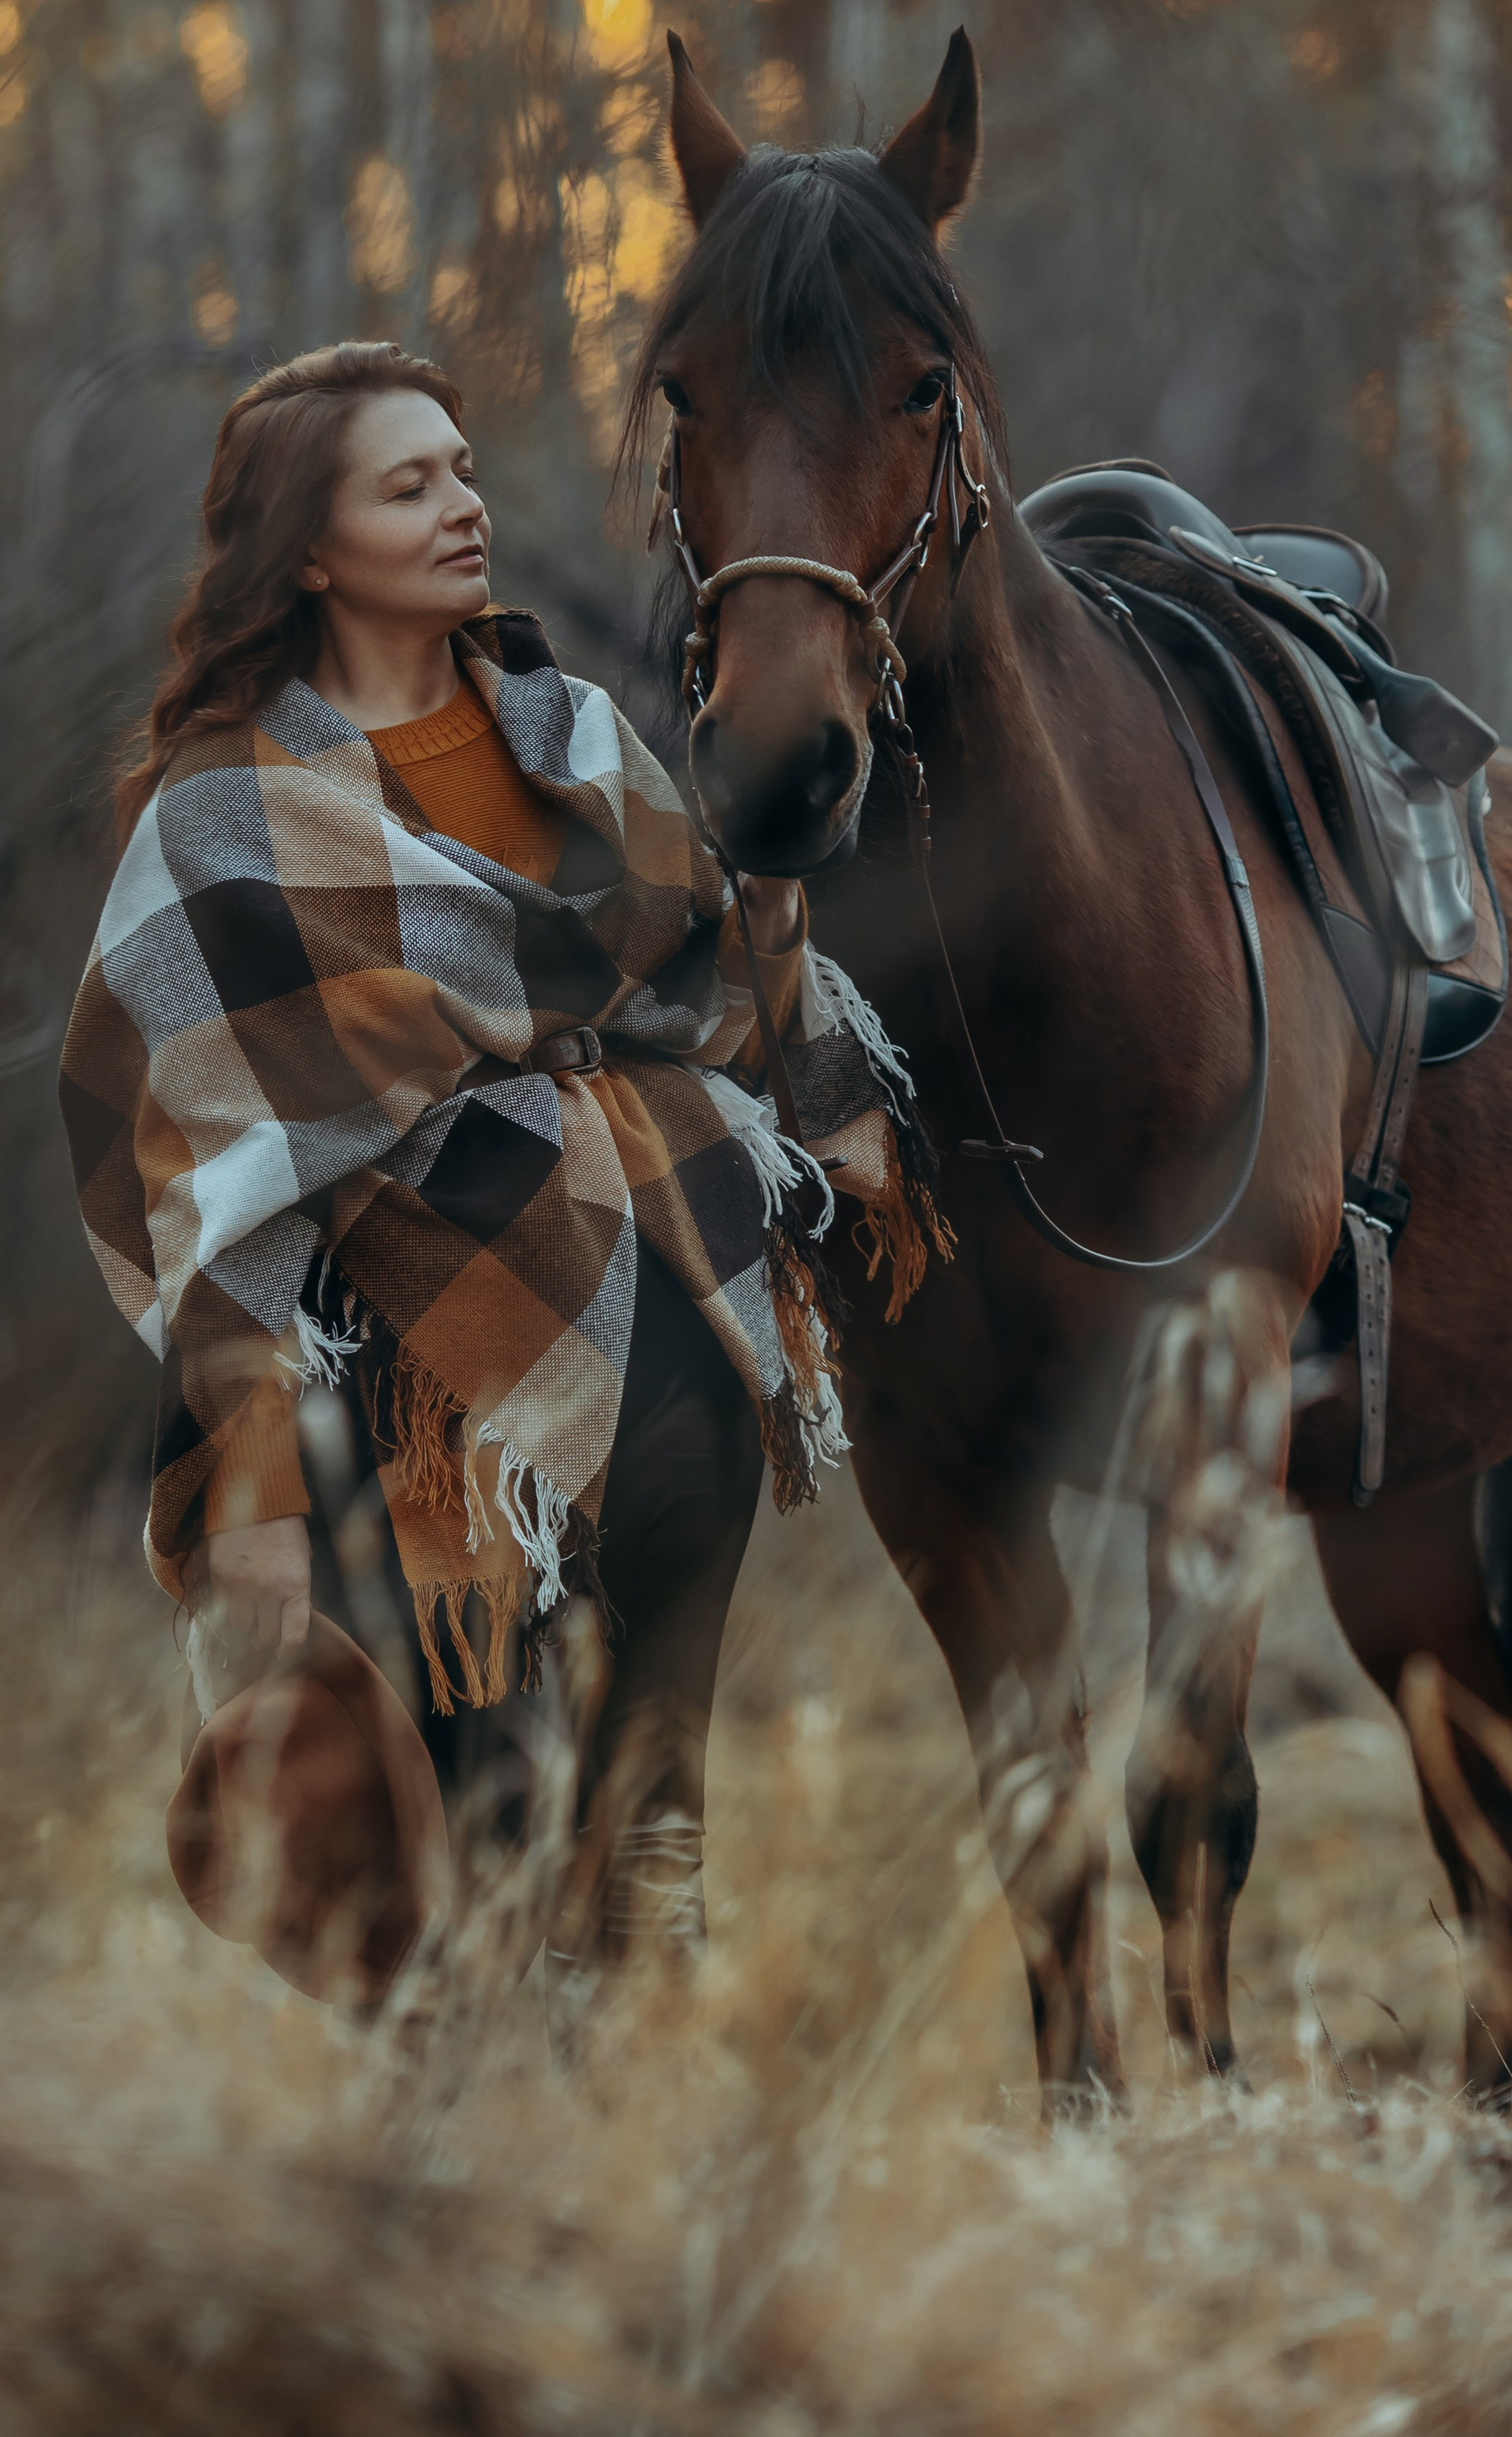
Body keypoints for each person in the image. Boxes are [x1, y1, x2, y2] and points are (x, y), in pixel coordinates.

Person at [62, 340, 944, 1965]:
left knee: (650, 1772)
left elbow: (713, 992)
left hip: (671, 1284)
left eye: (463, 469)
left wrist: (762, 901)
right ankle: (470, 2115)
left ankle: (643, 2019)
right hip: (412, 1350)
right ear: (309, 552)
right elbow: (190, 1132)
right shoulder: (220, 811)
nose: (465, 504)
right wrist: (247, 1436)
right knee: (472, 1785)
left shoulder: (574, 727)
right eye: (410, 486)